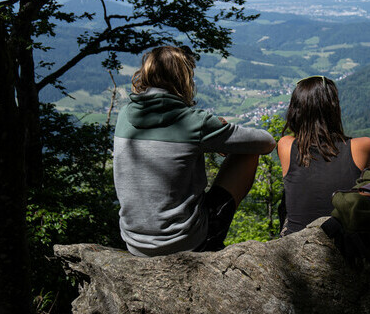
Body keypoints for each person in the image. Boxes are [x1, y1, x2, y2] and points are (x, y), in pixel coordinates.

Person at [113, 45, 276, 257]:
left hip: (134, 244)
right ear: (184, 77)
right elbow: (266, 142)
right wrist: (221, 136)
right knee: (249, 152)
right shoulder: (194, 122)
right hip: (186, 243)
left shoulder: (124, 114)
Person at [277, 75, 370, 236]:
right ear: (334, 109)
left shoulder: (286, 145)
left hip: (295, 239)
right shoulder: (363, 146)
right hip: (344, 242)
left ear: (296, 110)